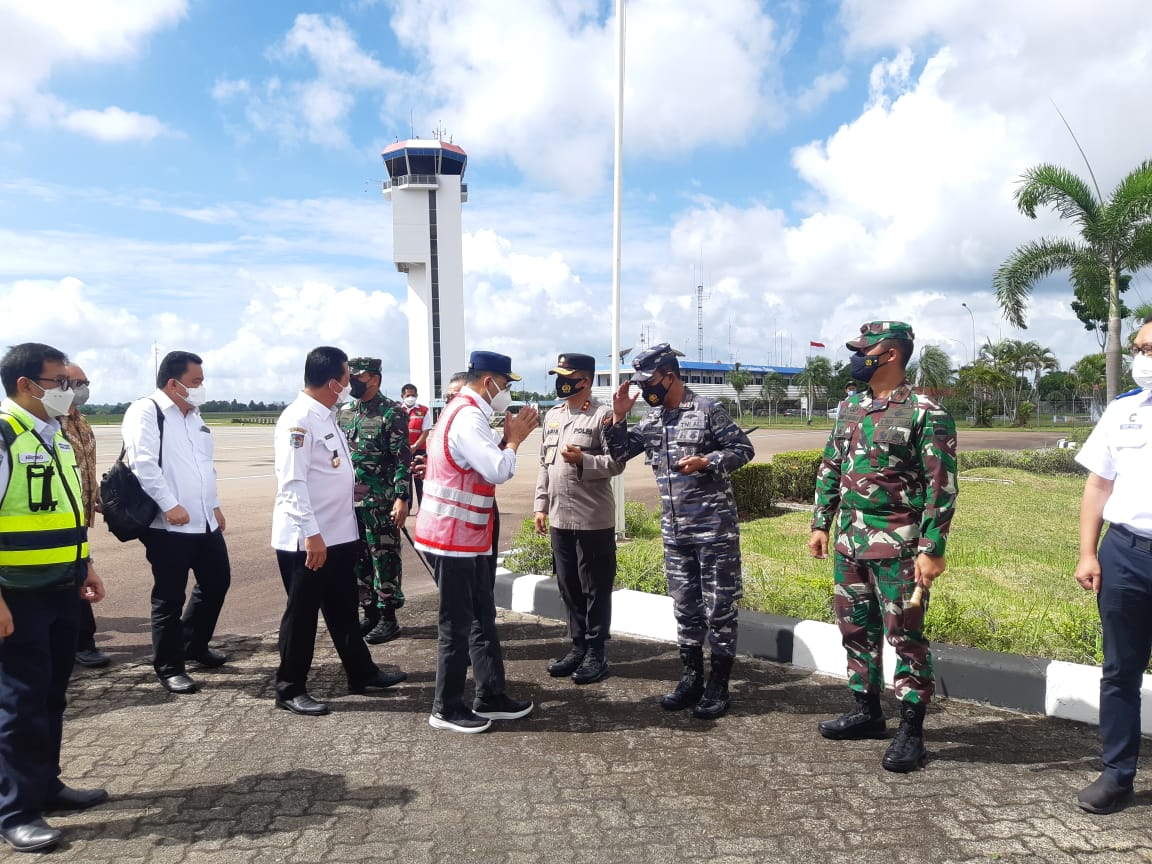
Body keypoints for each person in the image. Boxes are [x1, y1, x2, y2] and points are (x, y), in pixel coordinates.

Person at [808, 321, 956, 773]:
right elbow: (832, 463)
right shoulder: (851, 405)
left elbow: (941, 487)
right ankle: (866, 712)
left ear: (890, 354)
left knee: (904, 636)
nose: (855, 357)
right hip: (850, 542)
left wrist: (932, 548)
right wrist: (821, 523)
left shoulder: (925, 412)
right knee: (855, 629)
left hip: (899, 547)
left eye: (862, 350)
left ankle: (912, 731)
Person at [607, 344, 754, 719]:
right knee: (685, 608)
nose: (644, 390)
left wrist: (709, 461)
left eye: (649, 382)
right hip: (676, 534)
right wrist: (619, 417)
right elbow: (620, 452)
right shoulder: (653, 419)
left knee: (719, 609)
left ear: (669, 375)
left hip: (714, 531)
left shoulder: (706, 410)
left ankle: (719, 686)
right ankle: (692, 678)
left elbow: (742, 448)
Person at [0, 343, 107, 853]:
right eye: (60, 380)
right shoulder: (4, 435)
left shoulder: (55, 437)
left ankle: (46, 785)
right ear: (27, 384)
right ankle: (15, 809)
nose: (70, 389)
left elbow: (67, 510)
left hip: (62, 586)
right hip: (17, 594)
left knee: (52, 694)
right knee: (19, 702)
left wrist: (85, 563)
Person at [271, 347, 407, 716]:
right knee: (301, 616)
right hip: (309, 539)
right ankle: (290, 688)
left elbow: (328, 469)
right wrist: (311, 536)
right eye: (347, 377)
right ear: (333, 382)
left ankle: (361, 673)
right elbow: (293, 483)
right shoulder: (298, 419)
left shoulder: (326, 415)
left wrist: (351, 489)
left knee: (343, 609)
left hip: (339, 533)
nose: (350, 383)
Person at [414, 351, 538, 733]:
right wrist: (514, 440)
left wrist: (503, 436)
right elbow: (497, 469)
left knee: (482, 616)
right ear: (490, 382)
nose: (507, 393)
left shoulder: (464, 411)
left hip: (467, 538)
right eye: (506, 385)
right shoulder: (468, 416)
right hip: (453, 540)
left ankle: (491, 694)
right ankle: (446, 707)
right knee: (457, 625)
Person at [1071, 315, 1152, 814]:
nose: (1143, 358)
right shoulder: (1124, 411)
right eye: (1141, 349)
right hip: (1126, 554)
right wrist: (1088, 551)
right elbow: (1098, 484)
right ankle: (1118, 774)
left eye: (1151, 349)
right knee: (1120, 669)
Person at [122, 351, 232, 694]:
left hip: (203, 520)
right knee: (168, 597)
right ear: (174, 383)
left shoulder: (194, 416)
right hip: (167, 526)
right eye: (196, 382)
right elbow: (143, 463)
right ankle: (169, 666)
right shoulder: (147, 411)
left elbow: (205, 465)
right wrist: (170, 505)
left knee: (216, 583)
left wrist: (213, 506)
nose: (202, 388)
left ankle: (193, 645)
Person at [534, 352, 623, 684]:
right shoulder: (553, 415)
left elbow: (617, 463)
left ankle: (597, 652)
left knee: (595, 587)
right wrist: (540, 505)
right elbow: (545, 465)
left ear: (584, 380)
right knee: (568, 585)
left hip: (592, 518)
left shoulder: (604, 417)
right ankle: (578, 646)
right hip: (559, 516)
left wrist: (585, 459)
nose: (561, 382)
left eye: (566, 376)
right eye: (558, 375)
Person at [339, 358, 411, 645]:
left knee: (385, 559)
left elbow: (401, 458)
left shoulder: (391, 412)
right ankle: (368, 610)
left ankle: (389, 618)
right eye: (350, 377)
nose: (351, 382)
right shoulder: (344, 412)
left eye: (358, 377)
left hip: (381, 501)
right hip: (349, 503)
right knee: (358, 561)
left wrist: (402, 498)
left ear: (375, 379)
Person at [59, 363, 109, 669]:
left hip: (80, 513)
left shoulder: (81, 421)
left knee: (78, 574)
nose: (84, 389)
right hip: (58, 515)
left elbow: (85, 466)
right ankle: (83, 642)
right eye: (77, 382)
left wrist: (96, 498)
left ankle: (80, 641)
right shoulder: (51, 422)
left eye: (86, 382)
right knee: (76, 576)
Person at [400, 383, 432, 507]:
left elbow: (426, 431)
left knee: (420, 479)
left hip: (419, 451)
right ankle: (406, 507)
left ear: (417, 395)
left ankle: (423, 506)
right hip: (402, 451)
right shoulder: (397, 409)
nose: (411, 397)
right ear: (402, 396)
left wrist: (415, 446)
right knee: (404, 479)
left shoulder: (423, 410)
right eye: (408, 395)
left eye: (413, 395)